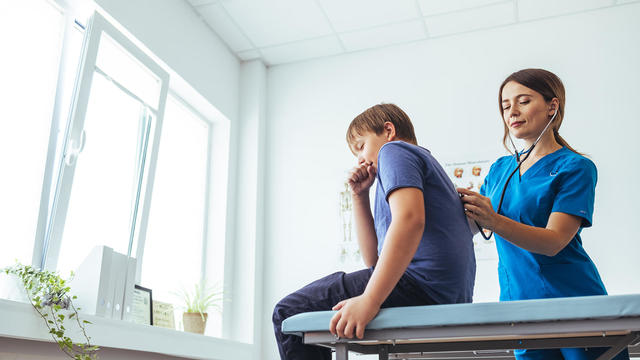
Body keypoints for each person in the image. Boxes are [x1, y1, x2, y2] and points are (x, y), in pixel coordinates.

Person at [272, 103, 476, 360]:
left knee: (289, 311)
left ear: (388, 130)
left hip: (420, 285)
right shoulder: (418, 166)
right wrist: (360, 195)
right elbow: (374, 262)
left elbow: (411, 220)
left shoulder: (395, 150)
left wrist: (370, 300)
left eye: (361, 146)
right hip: (442, 292)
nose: (359, 158)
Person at [458, 68, 629, 360]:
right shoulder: (500, 170)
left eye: (523, 101)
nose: (512, 111)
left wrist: (494, 220)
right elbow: (467, 226)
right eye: (505, 105)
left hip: (574, 303)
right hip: (521, 308)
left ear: (552, 106)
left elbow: (554, 241)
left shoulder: (574, 167)